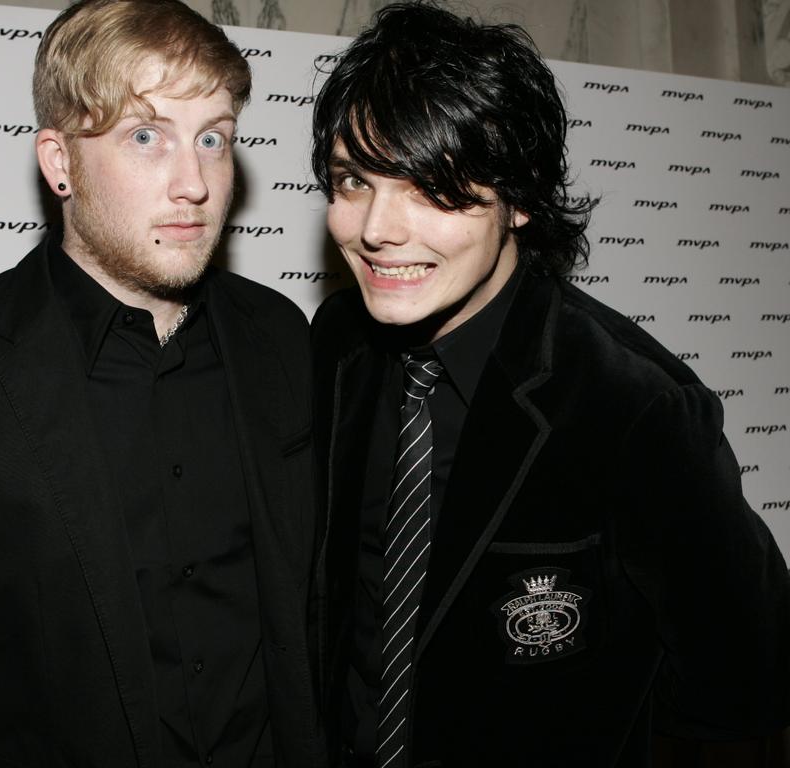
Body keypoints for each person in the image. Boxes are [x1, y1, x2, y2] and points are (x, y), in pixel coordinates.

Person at [0, 2, 324, 766]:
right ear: (60, 164)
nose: (194, 182)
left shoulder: (282, 338)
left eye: (214, 139)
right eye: (145, 136)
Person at [309, 3, 790, 767]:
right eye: (354, 180)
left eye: (431, 187)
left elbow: (743, 687)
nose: (377, 229)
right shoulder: (337, 346)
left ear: (521, 198)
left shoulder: (632, 405)